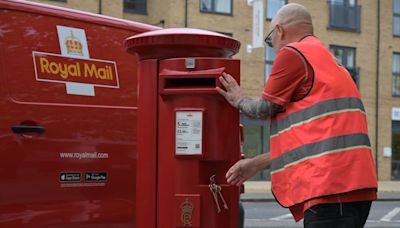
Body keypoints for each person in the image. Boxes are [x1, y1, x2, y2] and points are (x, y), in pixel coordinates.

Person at [216, 3, 378, 228]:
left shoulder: (293, 53)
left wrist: (238, 99)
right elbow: (311, 145)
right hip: (356, 188)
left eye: (270, 39)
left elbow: (264, 108)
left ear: (279, 31)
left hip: (330, 188)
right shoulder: (331, 62)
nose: (272, 47)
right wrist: (255, 163)